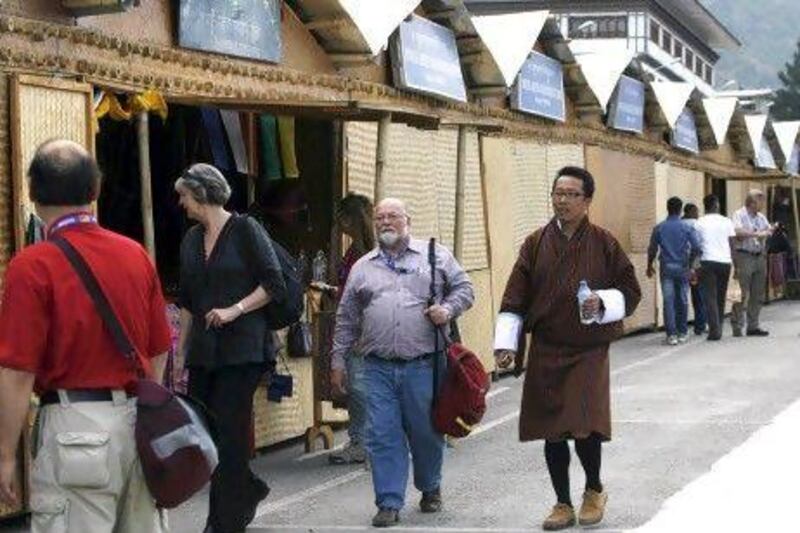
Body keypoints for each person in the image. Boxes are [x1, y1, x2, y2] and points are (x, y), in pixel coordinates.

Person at [0, 140, 171, 532]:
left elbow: (15, 373)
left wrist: (5, 454)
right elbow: (160, 349)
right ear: (94, 191)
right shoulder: (135, 254)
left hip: (73, 429)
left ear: (31, 193)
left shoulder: (32, 266)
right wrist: (148, 415)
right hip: (137, 424)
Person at [494, 166, 642, 531]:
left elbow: (631, 290)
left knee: (584, 423)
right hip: (548, 346)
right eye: (557, 193)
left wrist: (604, 303)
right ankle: (561, 501)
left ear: (587, 201)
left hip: (588, 348)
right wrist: (506, 344)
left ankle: (593, 489)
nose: (562, 200)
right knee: (552, 427)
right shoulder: (535, 243)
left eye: (571, 194)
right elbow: (515, 296)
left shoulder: (605, 243)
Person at [331, 198, 474, 528]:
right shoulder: (362, 267)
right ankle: (389, 501)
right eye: (380, 217)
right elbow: (346, 318)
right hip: (376, 366)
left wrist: (448, 310)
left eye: (392, 216)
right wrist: (337, 361)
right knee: (381, 433)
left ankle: (430, 486)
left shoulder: (435, 255)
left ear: (407, 219)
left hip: (424, 364)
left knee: (425, 431)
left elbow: (465, 289)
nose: (385, 222)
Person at [175, 163, 287, 533]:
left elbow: (273, 283)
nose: (181, 203)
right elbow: (188, 300)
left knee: (231, 434)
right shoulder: (191, 239)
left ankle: (222, 522)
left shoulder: (246, 230)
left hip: (243, 350)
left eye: (185, 196)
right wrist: (179, 357)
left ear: (202, 194)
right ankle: (248, 488)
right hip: (204, 353)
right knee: (207, 435)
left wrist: (235, 309)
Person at [327, 193, 375, 465]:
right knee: (357, 386)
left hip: (361, 329)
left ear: (348, 220)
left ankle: (363, 441)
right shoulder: (353, 251)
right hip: (352, 324)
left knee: (358, 387)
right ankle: (360, 439)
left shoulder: (364, 254)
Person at [647, 196, 701, 345]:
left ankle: (671, 335)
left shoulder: (659, 228)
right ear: (679, 209)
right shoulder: (687, 227)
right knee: (682, 299)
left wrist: (648, 265)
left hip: (666, 268)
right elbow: (697, 247)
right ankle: (683, 332)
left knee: (668, 301)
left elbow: (652, 249)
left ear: (667, 208)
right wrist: (691, 265)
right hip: (683, 267)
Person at [730, 190, 772, 337]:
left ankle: (753, 326)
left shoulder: (761, 217)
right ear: (752, 202)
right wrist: (756, 234)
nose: (762, 204)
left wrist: (769, 231)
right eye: (760, 201)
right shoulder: (739, 214)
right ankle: (737, 325)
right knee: (741, 293)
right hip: (744, 256)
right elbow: (737, 232)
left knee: (758, 293)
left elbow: (767, 230)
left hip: (759, 256)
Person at [695, 194, 736, 341]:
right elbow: (732, 245)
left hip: (707, 262)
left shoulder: (699, 223)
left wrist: (693, 266)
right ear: (717, 205)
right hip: (725, 263)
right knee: (720, 296)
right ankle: (718, 326)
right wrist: (736, 265)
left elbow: (696, 246)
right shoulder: (727, 221)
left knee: (710, 297)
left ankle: (715, 331)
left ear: (704, 206)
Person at [682, 203, 708, 335]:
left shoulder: (679, 224)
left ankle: (680, 328)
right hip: (696, 264)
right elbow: (699, 247)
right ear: (692, 212)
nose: (698, 214)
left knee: (681, 297)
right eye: (697, 211)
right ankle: (700, 326)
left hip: (680, 264)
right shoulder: (697, 224)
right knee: (698, 296)